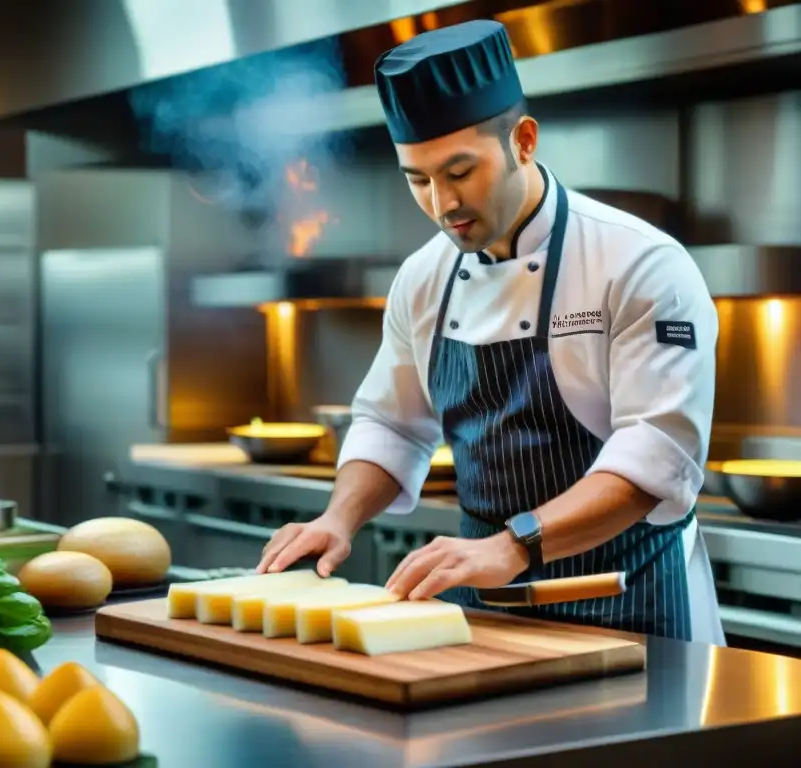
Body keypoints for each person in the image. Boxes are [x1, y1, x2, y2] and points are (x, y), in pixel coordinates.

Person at [256, 19, 724, 645]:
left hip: (630, 606)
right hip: (484, 611)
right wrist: (339, 518)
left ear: (523, 141)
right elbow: (391, 424)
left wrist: (515, 545)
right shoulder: (424, 277)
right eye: (417, 180)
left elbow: (656, 455)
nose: (442, 203)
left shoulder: (639, 264)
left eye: (460, 171)